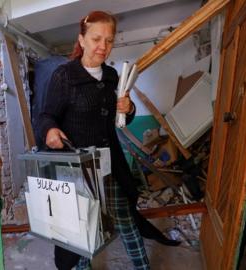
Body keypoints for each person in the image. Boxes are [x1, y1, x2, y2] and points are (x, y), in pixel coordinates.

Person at [37, 11, 178, 270]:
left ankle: (142, 267)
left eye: (109, 40)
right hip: (78, 167)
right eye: (96, 39)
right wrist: (50, 131)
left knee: (124, 217)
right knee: (81, 225)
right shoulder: (64, 76)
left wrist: (129, 109)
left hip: (109, 161)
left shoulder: (112, 76)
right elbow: (47, 115)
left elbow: (120, 119)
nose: (103, 47)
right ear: (81, 40)